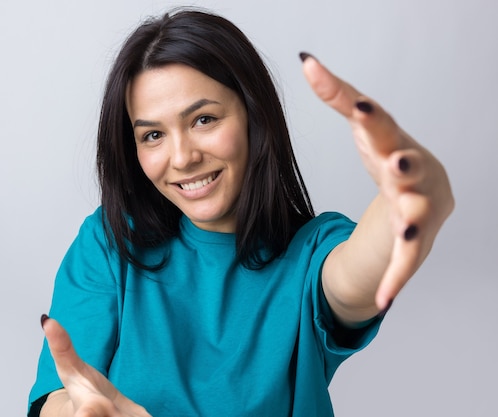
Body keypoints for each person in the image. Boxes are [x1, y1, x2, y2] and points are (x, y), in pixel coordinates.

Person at [27, 8, 454, 417]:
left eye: (204, 120)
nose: (182, 157)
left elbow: (354, 276)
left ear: (253, 116)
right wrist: (78, 411)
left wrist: (413, 195)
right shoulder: (110, 241)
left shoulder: (311, 253)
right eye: (153, 134)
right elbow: (61, 396)